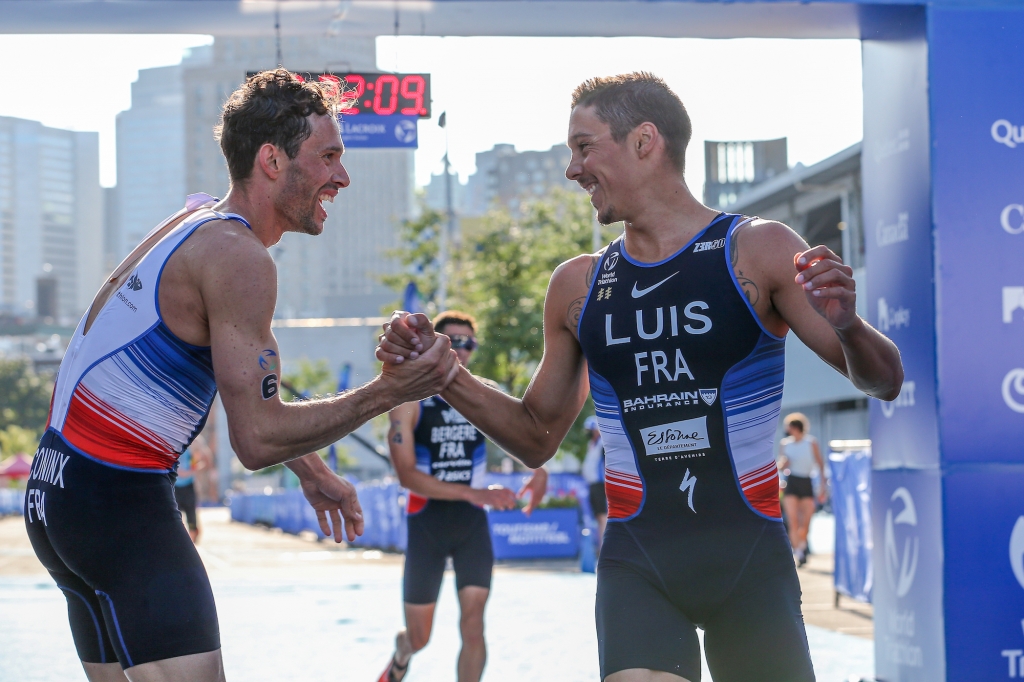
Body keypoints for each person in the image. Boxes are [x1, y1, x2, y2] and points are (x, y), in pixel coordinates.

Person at [378, 72, 903, 682]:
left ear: (644, 141)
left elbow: (884, 380)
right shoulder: (578, 285)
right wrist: (442, 372)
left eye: (583, 146)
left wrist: (848, 327)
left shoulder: (756, 250)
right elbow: (534, 437)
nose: (572, 170)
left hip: (749, 561)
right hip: (639, 563)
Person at [24, 69, 458, 682]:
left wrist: (310, 468)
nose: (343, 175)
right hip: (118, 502)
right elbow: (255, 441)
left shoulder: (194, 221)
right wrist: (392, 391)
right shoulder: (241, 260)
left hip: (60, 493)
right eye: (328, 156)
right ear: (273, 160)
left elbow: (243, 384)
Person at [378, 310, 547, 682]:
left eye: (469, 343)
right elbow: (407, 476)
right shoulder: (409, 396)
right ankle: (401, 653)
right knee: (419, 637)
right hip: (427, 524)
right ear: (435, 343)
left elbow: (523, 438)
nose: (462, 349)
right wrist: (476, 493)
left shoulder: (483, 393)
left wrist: (539, 470)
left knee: (474, 625)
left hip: (471, 525)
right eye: (453, 341)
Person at [778, 413, 827, 567]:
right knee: (792, 521)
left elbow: (820, 464)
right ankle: (798, 552)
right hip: (791, 482)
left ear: (796, 427)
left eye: (789, 427)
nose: (787, 430)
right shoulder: (785, 444)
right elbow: (781, 465)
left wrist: (823, 486)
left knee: (805, 523)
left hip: (806, 482)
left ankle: (802, 545)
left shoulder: (811, 442)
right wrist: (782, 465)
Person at [174, 435, 212, 543]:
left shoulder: (193, 449)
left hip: (189, 486)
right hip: (176, 486)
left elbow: (204, 461)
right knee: (177, 515)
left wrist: (192, 472)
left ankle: (193, 538)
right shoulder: (176, 445)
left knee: (191, 514)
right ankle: (180, 539)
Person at [581, 415, 607, 552]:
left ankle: (604, 547)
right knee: (598, 516)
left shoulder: (602, 444)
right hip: (593, 483)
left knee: (602, 516)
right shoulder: (591, 444)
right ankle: (601, 544)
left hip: (600, 483)